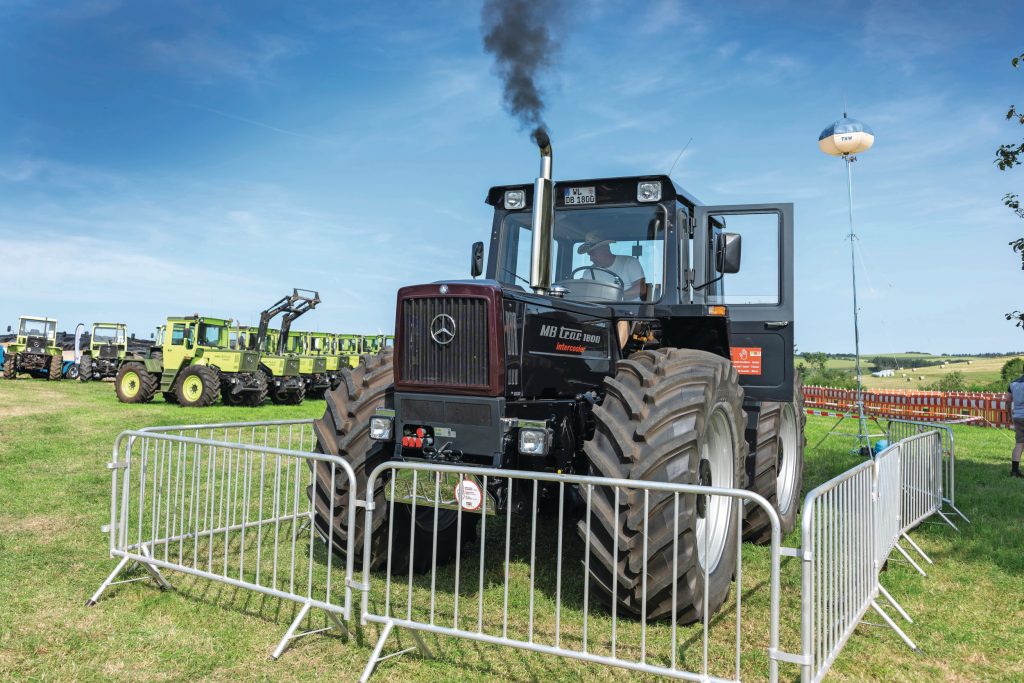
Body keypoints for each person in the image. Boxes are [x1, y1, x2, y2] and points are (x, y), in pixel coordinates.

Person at [576, 231, 646, 300]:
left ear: (605, 249)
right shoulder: (588, 272)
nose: (591, 259)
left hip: (629, 307)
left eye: (593, 254)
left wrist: (616, 297)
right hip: (598, 307)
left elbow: (641, 288)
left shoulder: (629, 262)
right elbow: (586, 296)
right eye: (589, 255)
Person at [1011, 372, 1024, 478]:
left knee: (1019, 443)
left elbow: (1007, 400)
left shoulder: (1013, 383)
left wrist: (1009, 415)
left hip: (1018, 416)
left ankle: (1014, 471)